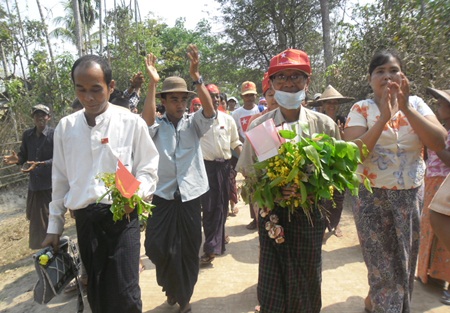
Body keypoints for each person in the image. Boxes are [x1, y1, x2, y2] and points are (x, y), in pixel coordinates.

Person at [41, 54, 159, 313]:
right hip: (86, 221)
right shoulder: (65, 128)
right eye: (81, 90)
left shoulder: (131, 122)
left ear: (111, 86)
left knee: (126, 294)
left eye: (96, 89)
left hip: (124, 219)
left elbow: (149, 170)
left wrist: (135, 196)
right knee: (96, 292)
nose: (89, 98)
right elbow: (60, 179)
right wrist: (54, 226)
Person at [236, 48, 340, 313]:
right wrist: (273, 192)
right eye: (281, 77)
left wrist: (311, 189)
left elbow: (336, 177)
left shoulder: (324, 125)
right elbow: (250, 177)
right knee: (273, 286)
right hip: (274, 217)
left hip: (310, 218)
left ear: (307, 83)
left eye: (297, 76)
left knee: (307, 280)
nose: (289, 83)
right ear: (271, 84)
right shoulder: (260, 126)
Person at [343, 49, 447, 313]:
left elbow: (438, 142)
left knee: (403, 263)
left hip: (409, 195)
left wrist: (406, 108)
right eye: (380, 71)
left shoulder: (418, 105)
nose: (387, 76)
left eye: (393, 70)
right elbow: (355, 154)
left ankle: (384, 305)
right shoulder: (360, 109)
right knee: (380, 266)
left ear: (403, 76)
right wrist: (385, 118)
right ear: (370, 79)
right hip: (370, 196)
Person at [141, 44, 215, 313]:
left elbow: (210, 111)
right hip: (162, 197)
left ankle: (183, 298)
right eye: (173, 99)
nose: (179, 104)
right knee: (156, 247)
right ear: (163, 101)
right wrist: (153, 82)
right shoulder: (156, 127)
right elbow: (145, 122)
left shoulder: (194, 123)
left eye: (183, 99)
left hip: (190, 196)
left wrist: (197, 77)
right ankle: (171, 287)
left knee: (188, 250)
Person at [199, 83, 242, 265]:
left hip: (225, 168)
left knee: (222, 207)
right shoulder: (196, 121)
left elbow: (235, 143)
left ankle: (216, 243)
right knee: (209, 208)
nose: (215, 99)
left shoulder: (228, 120)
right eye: (211, 96)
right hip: (205, 169)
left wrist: (249, 162)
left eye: (217, 96)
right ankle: (210, 248)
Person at [3, 104, 53, 249]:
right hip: (34, 184)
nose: (40, 118)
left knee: (47, 217)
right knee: (35, 217)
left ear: (48, 117)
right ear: (33, 118)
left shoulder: (54, 135)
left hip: (49, 184)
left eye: (43, 115)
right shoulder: (28, 135)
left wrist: (41, 163)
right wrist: (17, 159)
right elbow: (23, 155)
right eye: (37, 115)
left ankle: (49, 246)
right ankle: (42, 248)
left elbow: (59, 159)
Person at [417, 87, 450, 305]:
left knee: (446, 234)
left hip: (446, 185)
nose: (437, 106)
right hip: (431, 183)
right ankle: (431, 274)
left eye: (441, 103)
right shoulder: (442, 129)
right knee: (430, 229)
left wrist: (434, 144)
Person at [313, 85, 354, 240]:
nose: (331, 105)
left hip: (339, 164)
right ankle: (321, 226)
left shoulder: (344, 120)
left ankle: (335, 225)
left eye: (334, 102)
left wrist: (342, 136)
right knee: (322, 197)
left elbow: (349, 144)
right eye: (328, 102)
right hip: (321, 164)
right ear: (322, 105)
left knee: (338, 197)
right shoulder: (317, 122)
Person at [232, 80, 260, 230]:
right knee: (250, 185)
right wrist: (247, 141)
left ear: (255, 95)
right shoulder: (236, 114)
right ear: (242, 97)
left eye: (251, 95)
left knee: (262, 183)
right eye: (246, 96)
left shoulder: (261, 110)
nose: (249, 98)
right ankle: (254, 218)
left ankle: (263, 216)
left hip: (261, 151)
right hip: (246, 151)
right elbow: (235, 133)